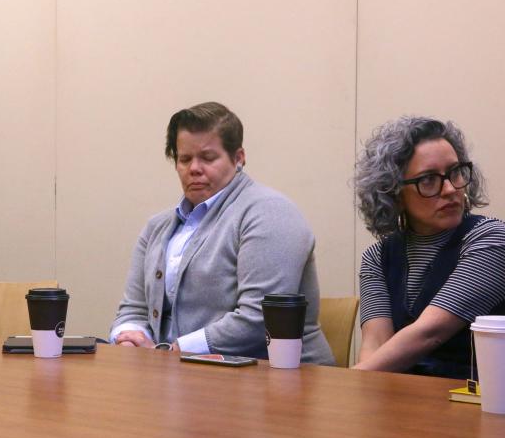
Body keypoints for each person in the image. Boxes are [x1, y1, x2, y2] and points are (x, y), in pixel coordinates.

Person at [111, 102, 334, 364]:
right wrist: (128, 336)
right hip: (181, 379)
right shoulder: (156, 227)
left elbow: (259, 318)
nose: (194, 168)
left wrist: (172, 351)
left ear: (238, 158)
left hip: (275, 380)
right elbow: (133, 309)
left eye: (208, 158)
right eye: (184, 159)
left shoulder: (270, 213)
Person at [353, 117, 505, 378]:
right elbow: (374, 345)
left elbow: (429, 333)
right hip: (403, 401)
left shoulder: (491, 239)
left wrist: (347, 382)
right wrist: (362, 390)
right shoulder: (377, 257)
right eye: (428, 180)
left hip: (480, 403)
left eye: (455, 172)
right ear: (393, 192)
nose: (449, 189)